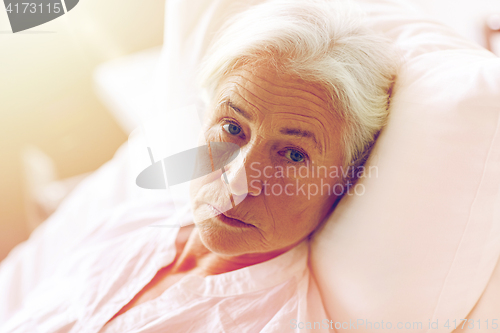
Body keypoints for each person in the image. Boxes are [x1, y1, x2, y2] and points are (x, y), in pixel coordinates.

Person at [0, 0, 397, 331]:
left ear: (345, 178)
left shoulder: (269, 323)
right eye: (232, 128)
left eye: (293, 154)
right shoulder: (135, 220)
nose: (238, 181)